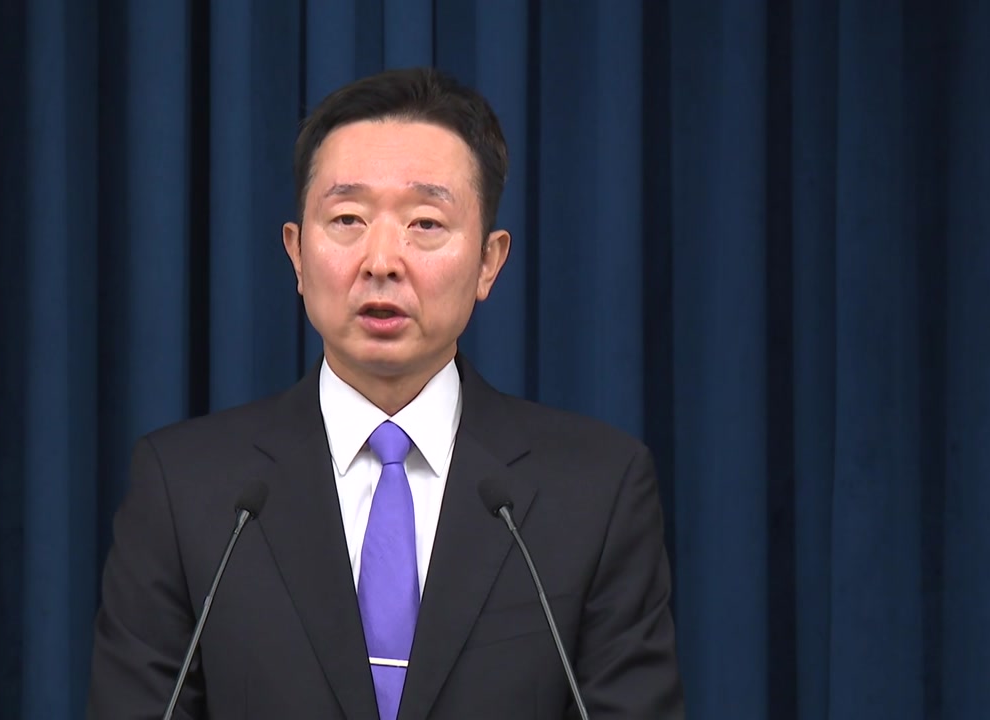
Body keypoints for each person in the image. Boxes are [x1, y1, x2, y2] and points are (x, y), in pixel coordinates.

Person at [87, 67, 683, 719]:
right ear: (296, 253)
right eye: (347, 218)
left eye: (425, 223)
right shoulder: (187, 489)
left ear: (489, 261)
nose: (381, 261)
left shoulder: (596, 491)